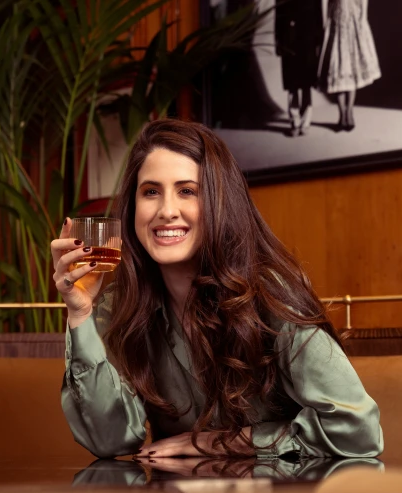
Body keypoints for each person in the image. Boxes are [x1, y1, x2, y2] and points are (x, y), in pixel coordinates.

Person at [51, 119, 383, 459]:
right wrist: (80, 313)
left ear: (220, 202)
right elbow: (111, 440)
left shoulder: (271, 297)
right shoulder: (120, 306)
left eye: (187, 191)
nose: (166, 211)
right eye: (151, 191)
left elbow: (358, 430)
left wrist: (226, 441)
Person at [319, 0, 381, 131]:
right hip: (336, 21)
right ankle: (342, 114)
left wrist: (363, 16)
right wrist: (324, 21)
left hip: (354, 20)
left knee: (353, 68)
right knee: (338, 69)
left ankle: (349, 112)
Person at [275, 0, 325, 136]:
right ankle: (294, 121)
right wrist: (278, 42)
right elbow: (278, 14)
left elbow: (318, 15)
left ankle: (305, 122)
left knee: (306, 83)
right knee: (292, 83)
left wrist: (319, 40)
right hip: (289, 40)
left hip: (307, 40)